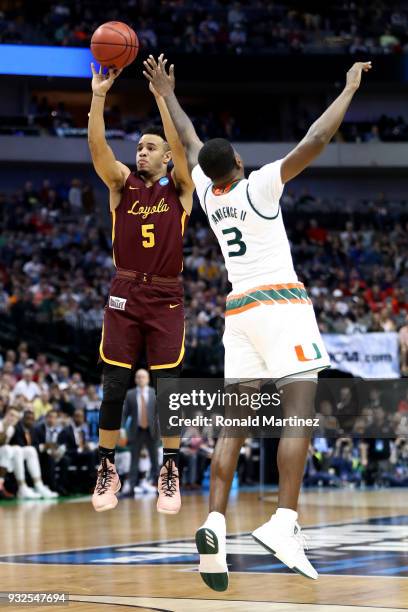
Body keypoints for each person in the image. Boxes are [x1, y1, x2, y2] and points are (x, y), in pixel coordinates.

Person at [144, 55, 371, 589]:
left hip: (238, 312)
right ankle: (285, 522)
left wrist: (165, 93)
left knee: (234, 425)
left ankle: (215, 526)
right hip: (280, 305)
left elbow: (189, 135)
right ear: (240, 163)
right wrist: (349, 89)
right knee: (298, 411)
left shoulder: (205, 191)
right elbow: (314, 140)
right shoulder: (261, 184)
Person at [88, 59, 195, 514]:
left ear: (167, 156)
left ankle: (169, 469)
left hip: (166, 294)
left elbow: (178, 144)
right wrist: (97, 97)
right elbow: (98, 150)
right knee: (114, 383)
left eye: (150, 147)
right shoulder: (121, 185)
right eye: (139, 147)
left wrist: (160, 98)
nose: (142, 152)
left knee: (168, 384)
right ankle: (107, 465)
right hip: (125, 291)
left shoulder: (182, 188)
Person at [121, 369, 159, 495]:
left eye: (143, 377)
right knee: (134, 460)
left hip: (152, 431)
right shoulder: (130, 394)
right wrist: (122, 429)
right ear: (135, 379)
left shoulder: (154, 393)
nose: (140, 379)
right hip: (136, 431)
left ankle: (160, 486)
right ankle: (131, 487)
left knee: (155, 460)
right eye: (138, 377)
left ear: (147, 379)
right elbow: (124, 413)